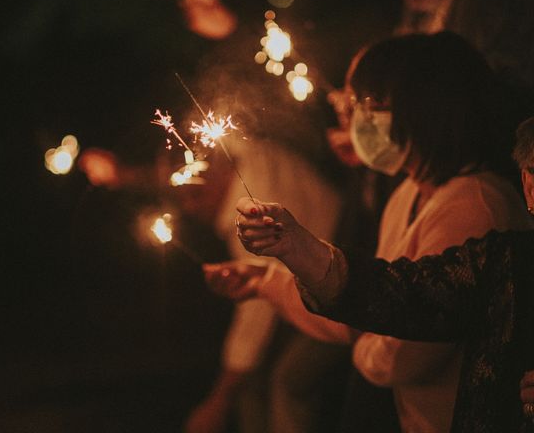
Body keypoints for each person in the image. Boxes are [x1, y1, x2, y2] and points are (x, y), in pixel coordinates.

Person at [203, 32, 534, 433]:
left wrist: (359, 328)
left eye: (364, 104)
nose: (353, 115)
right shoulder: (409, 193)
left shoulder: (476, 207)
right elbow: (373, 296)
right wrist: (266, 280)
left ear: (417, 109)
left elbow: (397, 345)